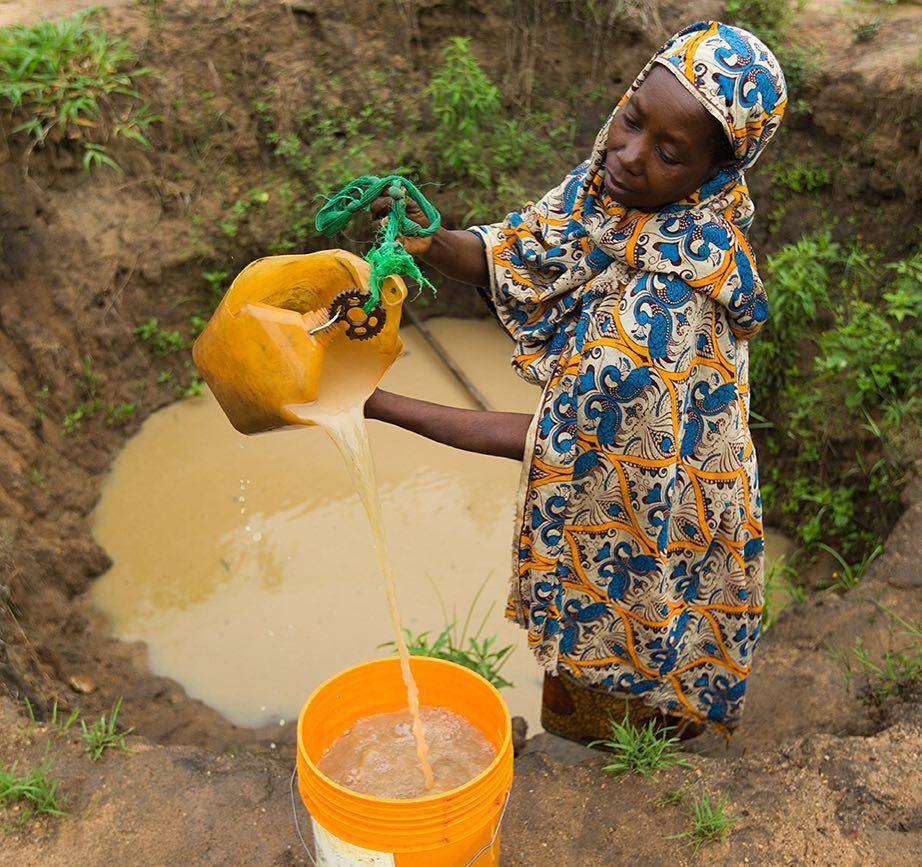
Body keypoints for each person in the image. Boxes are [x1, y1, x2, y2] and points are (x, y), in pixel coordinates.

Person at [365, 20, 787, 741]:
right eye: (632, 119)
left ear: (712, 174)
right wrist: (427, 241)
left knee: (630, 653)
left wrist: (375, 403)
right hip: (630, 465)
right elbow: (523, 252)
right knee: (607, 668)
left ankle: (631, 779)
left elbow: (561, 441)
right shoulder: (611, 196)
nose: (627, 153)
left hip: (663, 504)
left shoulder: (666, 308)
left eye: (668, 151)